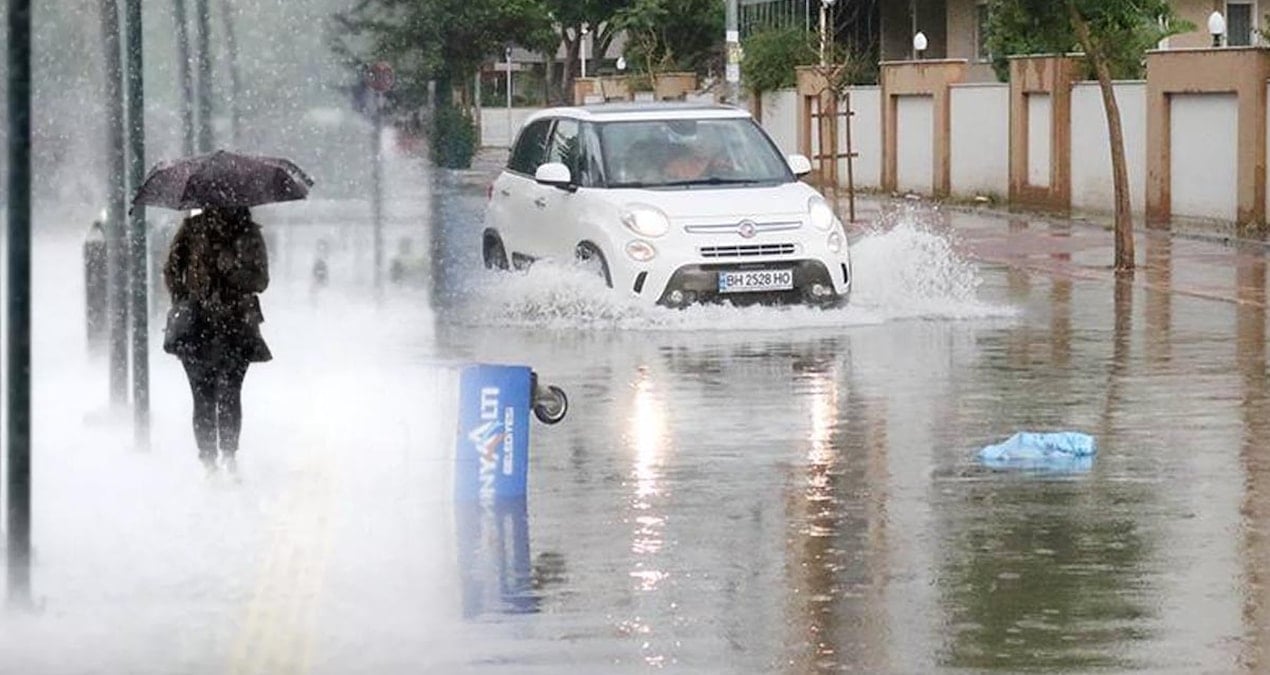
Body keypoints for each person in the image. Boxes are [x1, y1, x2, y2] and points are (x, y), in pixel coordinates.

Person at [163, 206, 272, 473]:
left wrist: (233, 268)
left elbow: (260, 281)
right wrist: (186, 300)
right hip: (197, 326)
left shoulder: (248, 234)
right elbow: (171, 271)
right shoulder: (192, 230)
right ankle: (209, 458)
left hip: (235, 326)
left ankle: (228, 454)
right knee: (203, 395)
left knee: (230, 392)